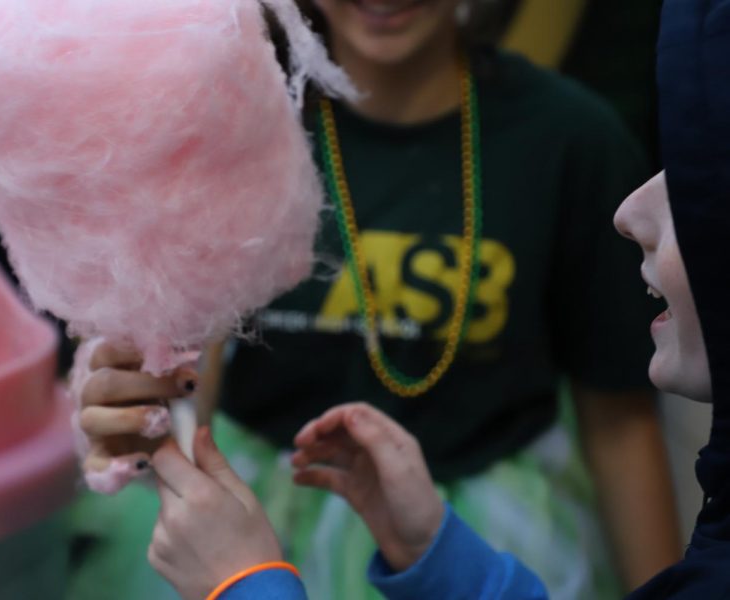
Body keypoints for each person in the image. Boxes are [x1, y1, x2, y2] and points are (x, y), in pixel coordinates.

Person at [68, 1, 681, 598]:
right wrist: (141, 428)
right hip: (258, 534)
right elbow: (188, 390)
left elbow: (620, 423)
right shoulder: (232, 125)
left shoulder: (570, 140)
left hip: (489, 541)